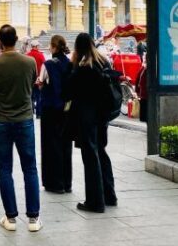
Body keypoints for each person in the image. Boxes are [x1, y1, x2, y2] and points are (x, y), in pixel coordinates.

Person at [0, 24, 42, 233]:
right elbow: (31, 85)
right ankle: (34, 218)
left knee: (4, 169)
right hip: (25, 118)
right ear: (16, 39)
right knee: (30, 168)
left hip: (1, 120)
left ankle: (10, 218)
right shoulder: (29, 62)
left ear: (0, 41)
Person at [64, 33, 117, 213]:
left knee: (91, 156)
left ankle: (95, 201)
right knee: (101, 152)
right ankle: (109, 196)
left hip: (87, 118)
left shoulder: (84, 66)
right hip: (103, 116)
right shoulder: (103, 61)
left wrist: (72, 67)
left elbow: (69, 91)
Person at [37, 34, 72, 194]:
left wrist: (41, 85)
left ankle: (54, 182)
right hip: (66, 110)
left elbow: (41, 83)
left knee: (50, 145)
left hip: (50, 109)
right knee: (65, 145)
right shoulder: (70, 63)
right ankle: (66, 182)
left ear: (54, 47)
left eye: (51, 46)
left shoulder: (48, 64)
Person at [26, 39, 46, 118]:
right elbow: (44, 65)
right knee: (38, 96)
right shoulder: (40, 55)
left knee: (30, 96)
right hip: (38, 78)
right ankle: (38, 113)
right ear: (36, 46)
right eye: (38, 46)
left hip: (30, 79)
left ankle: (30, 112)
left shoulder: (27, 55)